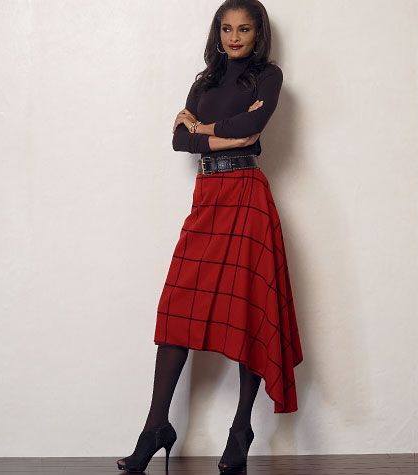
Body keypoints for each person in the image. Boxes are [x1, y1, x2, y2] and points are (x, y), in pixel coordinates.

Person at [117, 0, 303, 473]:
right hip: (207, 197)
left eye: (244, 29)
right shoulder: (204, 81)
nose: (234, 37)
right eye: (226, 28)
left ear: (258, 34)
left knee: (248, 311)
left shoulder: (268, 77)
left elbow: (251, 130)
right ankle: (155, 427)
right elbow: (180, 141)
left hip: (246, 195)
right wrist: (223, 134)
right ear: (217, 33)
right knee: (176, 309)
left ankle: (240, 430)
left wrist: (202, 128)